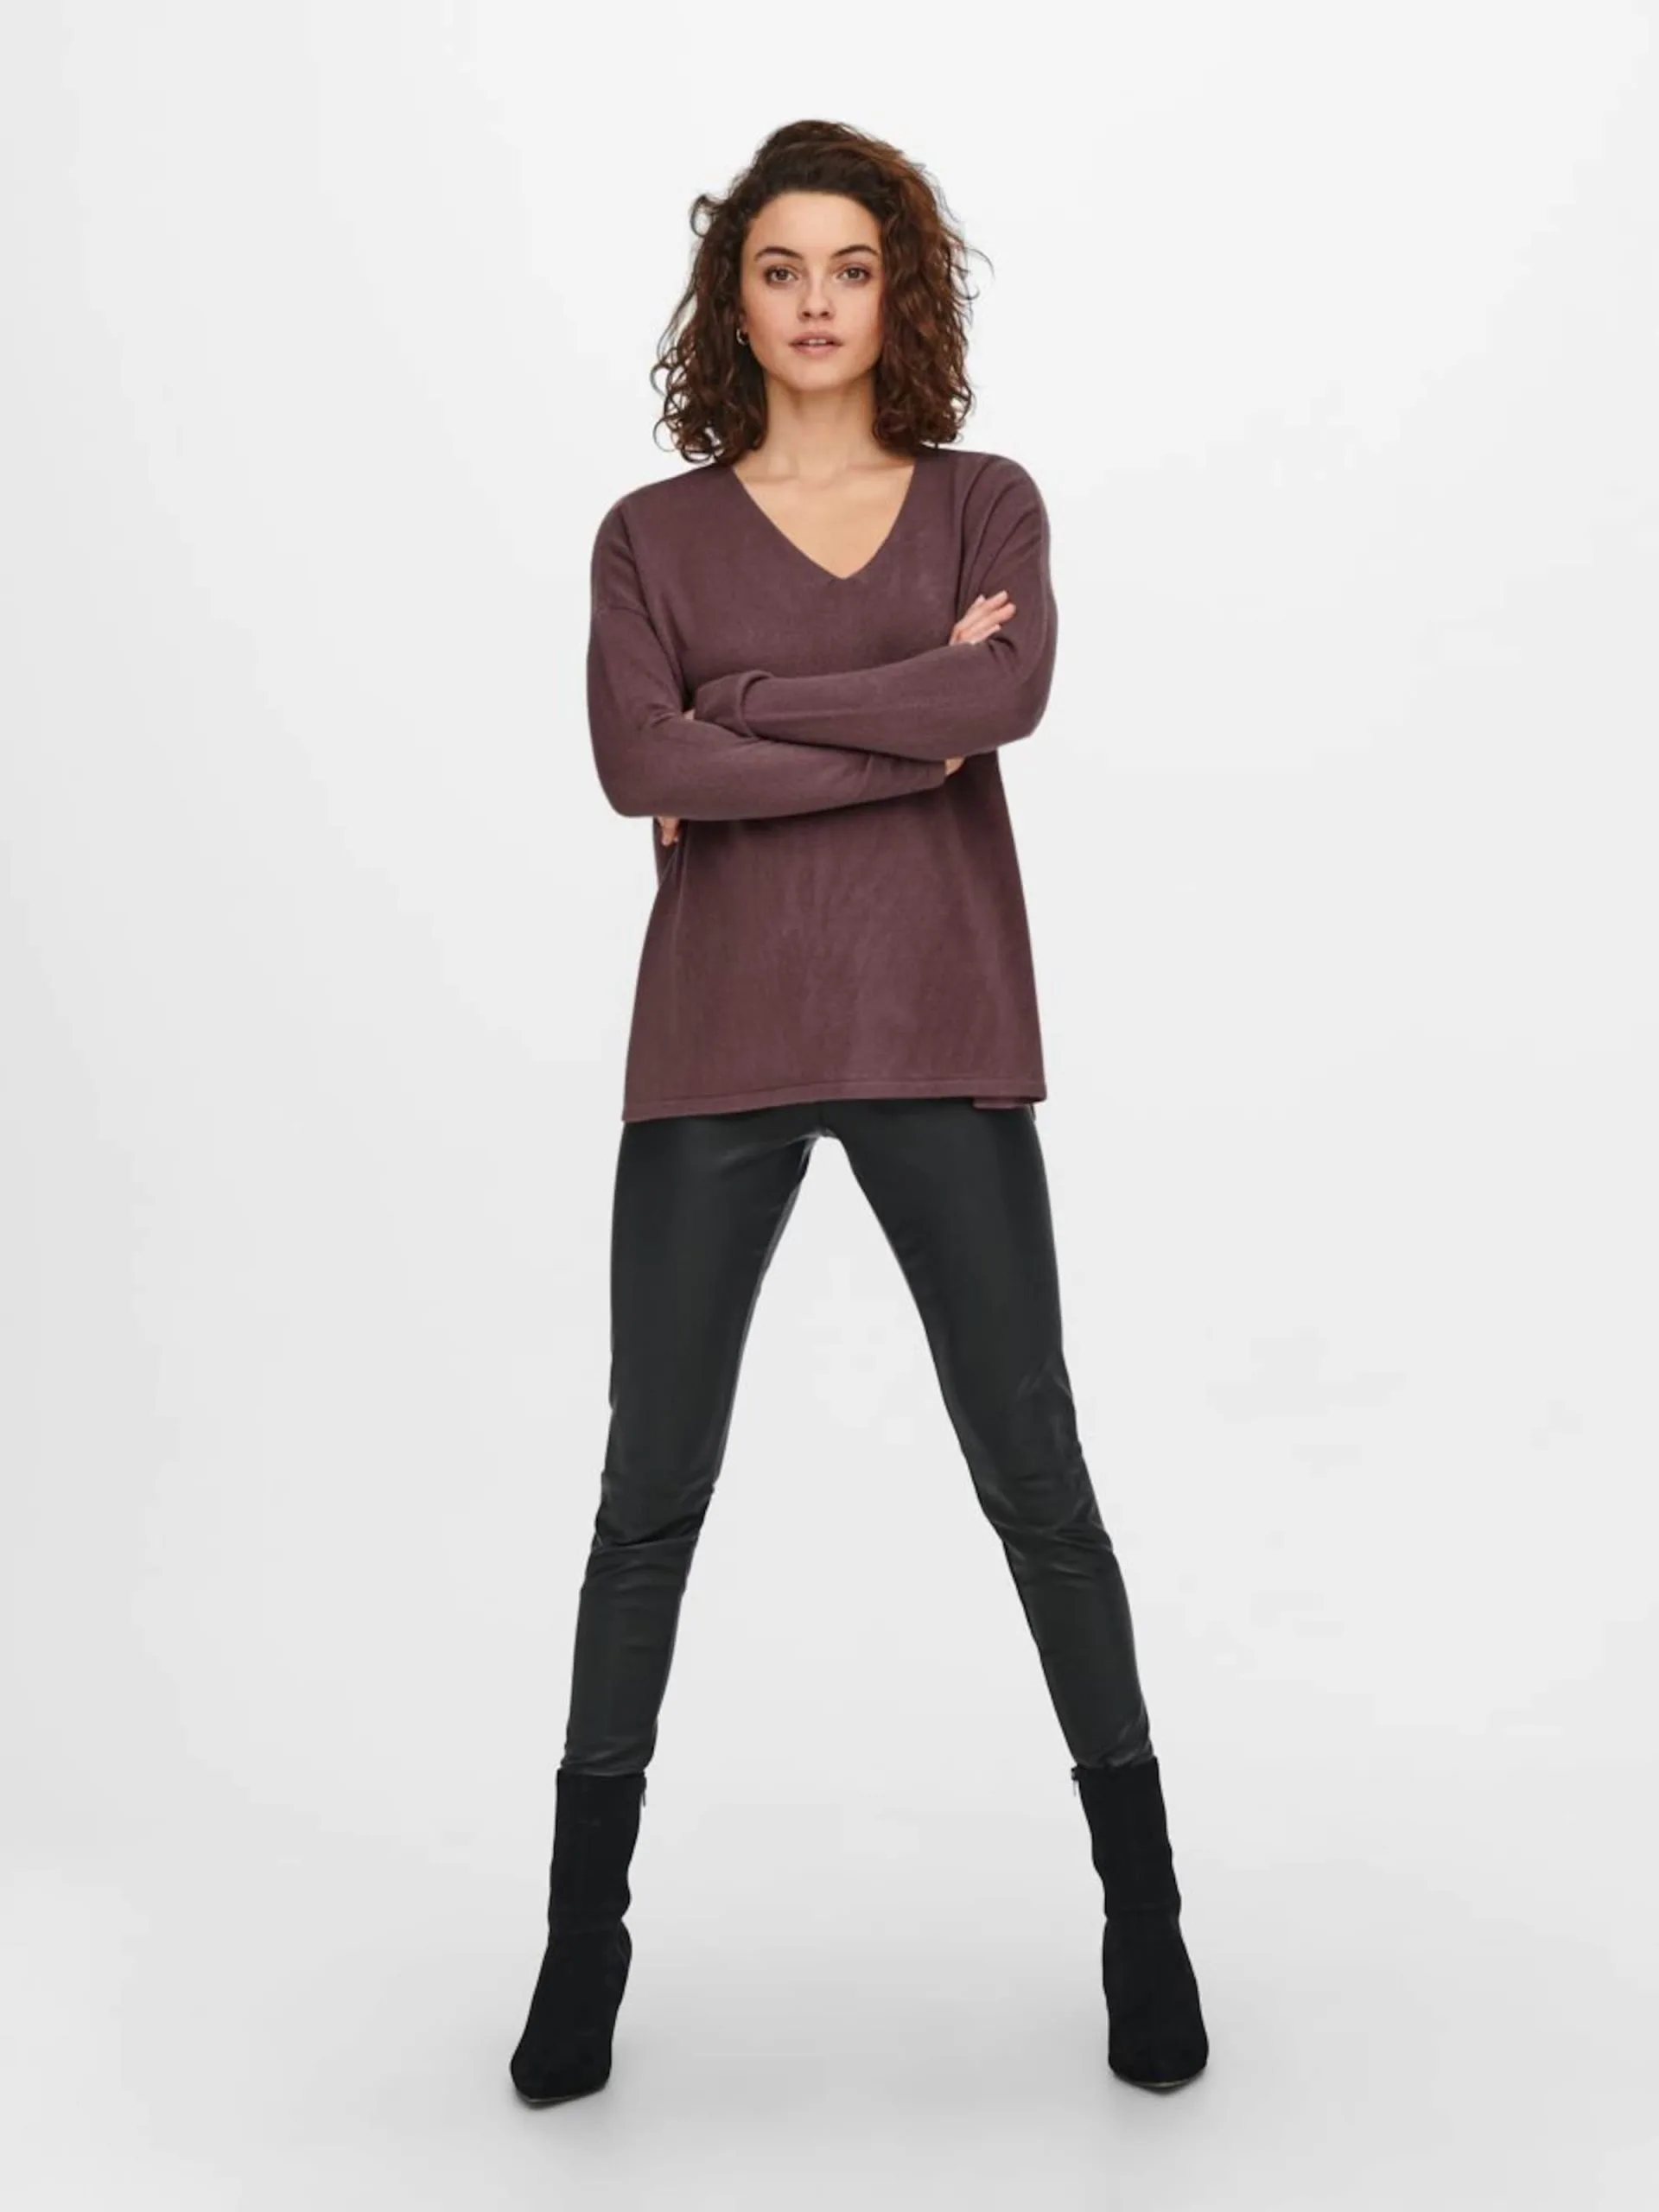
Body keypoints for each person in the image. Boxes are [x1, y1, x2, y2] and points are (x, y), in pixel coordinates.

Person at [509, 118, 1209, 2107]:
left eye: (851, 267)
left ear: (901, 294)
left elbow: (1001, 707)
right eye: (779, 268)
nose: (816, 302)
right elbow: (633, 761)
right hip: (715, 1046)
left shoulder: (986, 501)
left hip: (939, 1023)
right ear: (731, 300)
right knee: (649, 1495)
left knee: (1035, 1472)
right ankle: (581, 1939)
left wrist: (737, 713)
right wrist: (882, 708)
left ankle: (1145, 1912)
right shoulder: (648, 537)